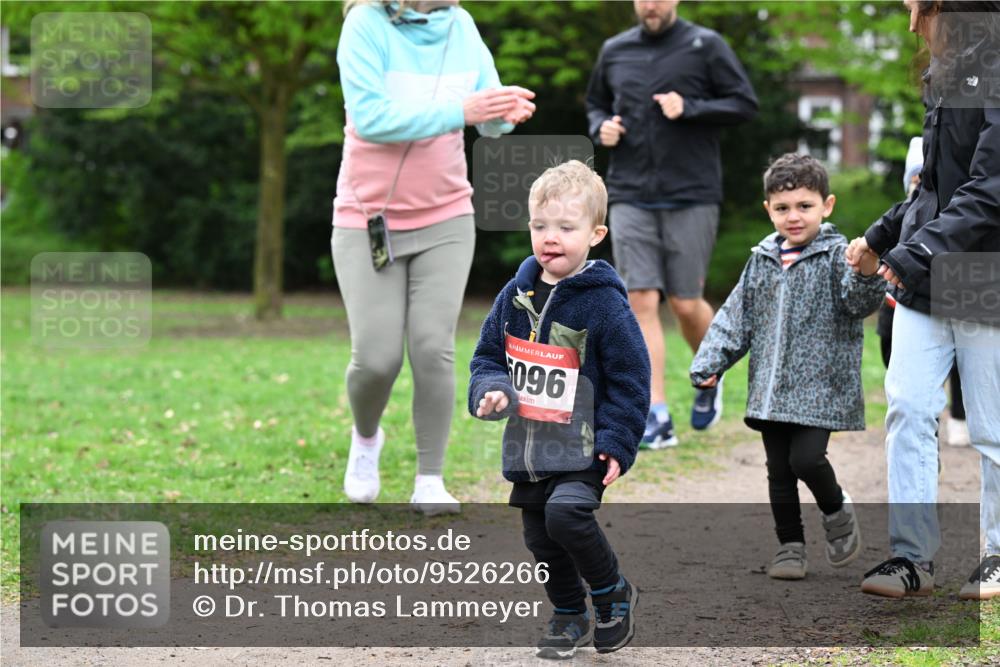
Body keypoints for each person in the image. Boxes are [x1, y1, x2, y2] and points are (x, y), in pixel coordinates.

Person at [332, 0, 535, 514]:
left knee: (433, 348)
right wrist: (462, 112)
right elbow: (371, 117)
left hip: (446, 215)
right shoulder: (364, 24)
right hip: (367, 217)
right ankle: (366, 436)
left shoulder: (460, 26)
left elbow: (486, 116)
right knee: (376, 358)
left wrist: (502, 116)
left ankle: (429, 478)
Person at [847, 0, 1000, 599]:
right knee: (909, 408)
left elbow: (989, 191)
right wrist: (882, 236)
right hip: (927, 275)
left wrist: (911, 254)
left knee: (990, 426)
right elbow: (932, 187)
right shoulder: (944, 70)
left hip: (982, 272)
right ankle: (912, 559)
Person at [469, 161, 649, 658]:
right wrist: (491, 389)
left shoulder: (604, 305)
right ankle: (569, 614)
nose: (551, 237)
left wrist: (618, 443)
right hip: (529, 446)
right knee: (541, 539)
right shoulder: (514, 295)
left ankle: (611, 590)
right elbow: (486, 357)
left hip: (584, 445)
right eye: (540, 226)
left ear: (596, 233)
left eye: (566, 228)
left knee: (567, 515)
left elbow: (632, 379)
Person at [691, 154, 885, 580]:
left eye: (804, 206)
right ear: (769, 210)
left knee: (807, 459)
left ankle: (835, 508)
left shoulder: (838, 255)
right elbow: (735, 316)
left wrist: (868, 272)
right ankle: (790, 547)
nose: (793, 217)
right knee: (778, 470)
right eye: (782, 208)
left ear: (826, 205)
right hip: (771, 387)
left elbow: (859, 302)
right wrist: (710, 362)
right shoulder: (761, 259)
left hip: (821, 386)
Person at [585, 0, 758, 448]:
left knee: (684, 302)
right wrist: (601, 127)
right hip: (629, 193)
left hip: (691, 193)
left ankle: (710, 374)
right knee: (640, 299)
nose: (652, 4)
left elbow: (743, 103)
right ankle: (654, 414)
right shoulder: (614, 50)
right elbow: (595, 105)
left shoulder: (705, 45)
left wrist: (692, 107)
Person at [876, 137, 968, 447]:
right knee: (902, 375)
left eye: (922, 177)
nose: (919, 184)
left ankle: (957, 415)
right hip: (899, 302)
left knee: (959, 365)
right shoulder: (902, 218)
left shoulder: (958, 214)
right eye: (914, 179)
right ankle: (924, 425)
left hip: (952, 294)